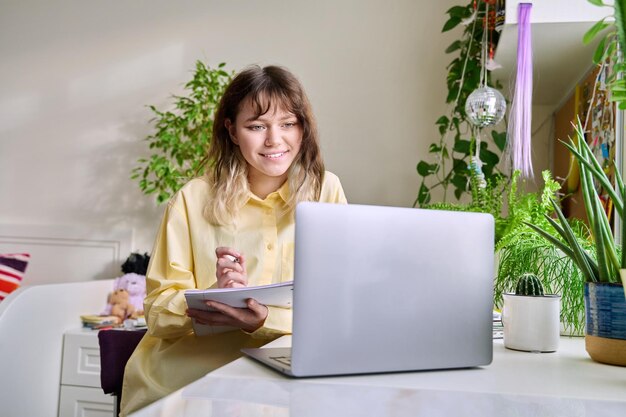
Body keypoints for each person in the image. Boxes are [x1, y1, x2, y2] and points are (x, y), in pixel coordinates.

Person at [119, 65, 347, 415]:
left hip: (285, 383)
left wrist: (262, 319)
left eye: (288, 124)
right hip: (187, 385)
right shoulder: (191, 199)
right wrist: (210, 297)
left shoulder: (325, 191)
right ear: (232, 131)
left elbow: (337, 305)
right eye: (256, 126)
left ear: (304, 128)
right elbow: (157, 315)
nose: (275, 140)